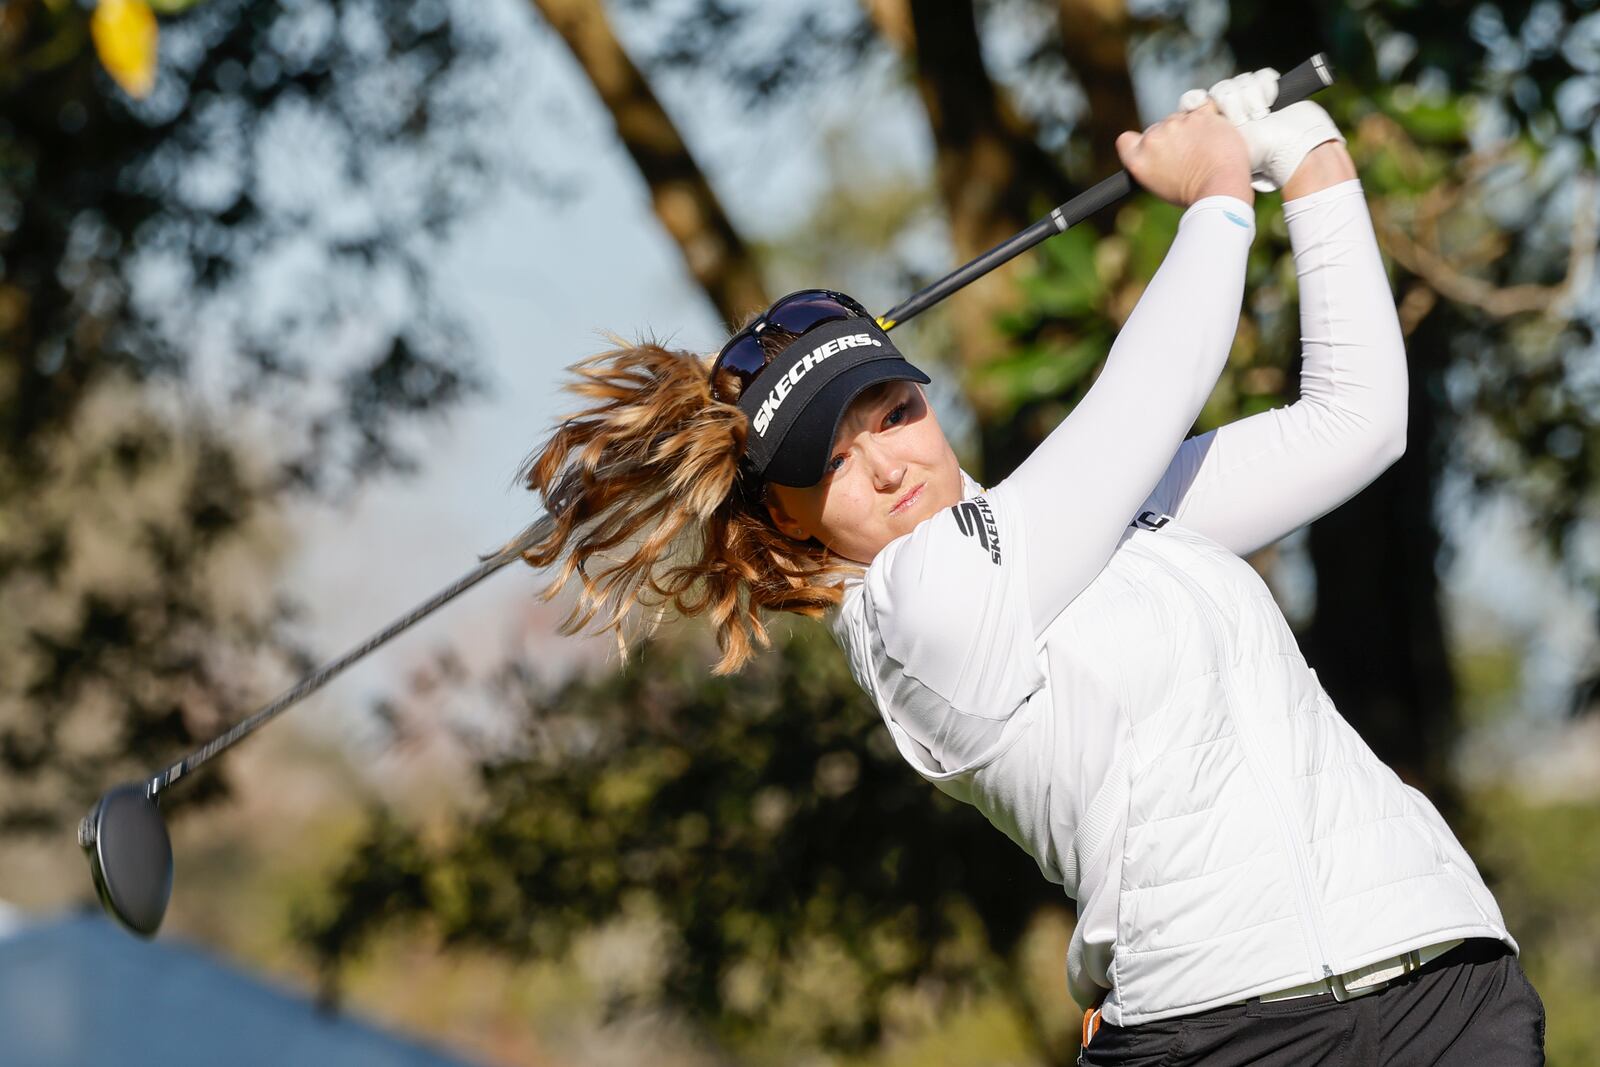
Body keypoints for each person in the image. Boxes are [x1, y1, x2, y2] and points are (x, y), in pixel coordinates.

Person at [517, 70, 1545, 1065]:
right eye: (830, 462)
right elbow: (1144, 397)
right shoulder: (912, 613)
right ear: (782, 521)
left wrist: (1308, 157)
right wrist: (1217, 195)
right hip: (1223, 1029)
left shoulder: (1099, 517)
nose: (885, 464)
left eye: (893, 410)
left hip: (1446, 986)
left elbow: (1353, 425)